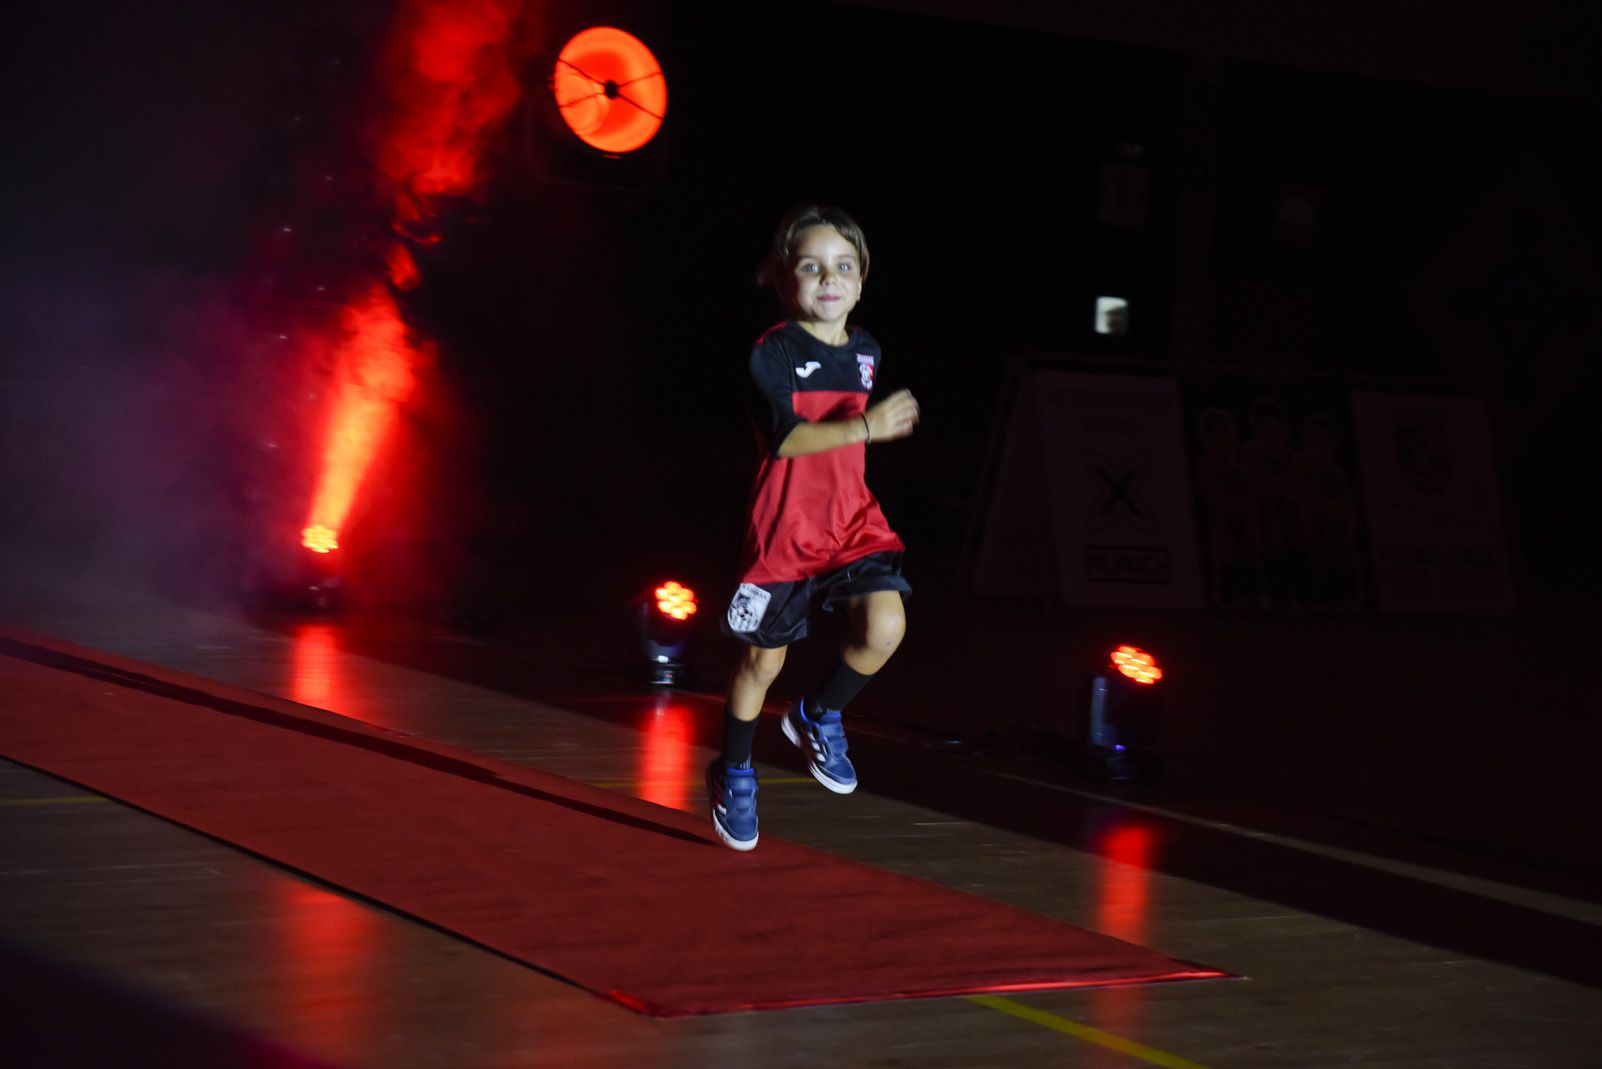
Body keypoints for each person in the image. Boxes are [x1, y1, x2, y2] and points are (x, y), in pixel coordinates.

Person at [707, 204, 920, 851]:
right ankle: (734, 769)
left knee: (886, 626)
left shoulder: (867, 351)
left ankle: (817, 714)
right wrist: (867, 426)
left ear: (861, 281)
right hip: (786, 529)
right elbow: (787, 440)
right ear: (784, 279)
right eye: (811, 266)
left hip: (851, 520)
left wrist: (866, 430)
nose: (829, 278)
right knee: (761, 662)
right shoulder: (772, 352)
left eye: (843, 266)